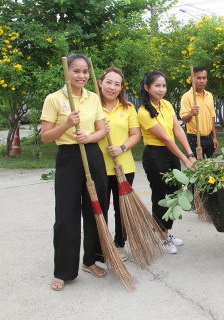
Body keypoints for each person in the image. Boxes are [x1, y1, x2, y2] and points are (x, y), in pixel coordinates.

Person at [41, 53, 109, 291]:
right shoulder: (54, 99)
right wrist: (67, 125)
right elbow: (46, 137)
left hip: (92, 154)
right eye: (76, 71)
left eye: (84, 71)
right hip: (69, 157)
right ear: (66, 72)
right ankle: (63, 270)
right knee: (66, 215)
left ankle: (90, 260)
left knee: (96, 210)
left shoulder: (93, 98)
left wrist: (89, 136)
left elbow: (101, 131)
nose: (81, 75)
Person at [137, 71, 197, 254]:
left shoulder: (167, 105)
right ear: (147, 88)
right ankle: (161, 236)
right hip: (155, 155)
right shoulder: (143, 111)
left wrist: (190, 153)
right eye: (157, 85)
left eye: (163, 85)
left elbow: (178, 130)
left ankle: (166, 231)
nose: (161, 89)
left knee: (173, 193)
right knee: (160, 195)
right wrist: (186, 160)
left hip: (170, 154)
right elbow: (166, 139)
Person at [98, 67, 141, 261]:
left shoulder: (128, 107)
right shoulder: (93, 107)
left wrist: (121, 148)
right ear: (100, 83)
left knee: (122, 209)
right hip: (98, 166)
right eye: (109, 82)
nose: (112, 87)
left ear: (121, 87)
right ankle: (101, 245)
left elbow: (136, 135)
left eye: (117, 84)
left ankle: (119, 244)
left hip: (124, 167)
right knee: (101, 208)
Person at [180, 66, 218, 159]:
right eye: (199, 78)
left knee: (209, 168)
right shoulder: (187, 96)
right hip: (194, 139)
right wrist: (191, 113)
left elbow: (212, 117)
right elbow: (184, 120)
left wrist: (215, 138)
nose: (202, 81)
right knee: (196, 169)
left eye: (204, 78)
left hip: (208, 139)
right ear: (193, 79)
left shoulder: (209, 95)